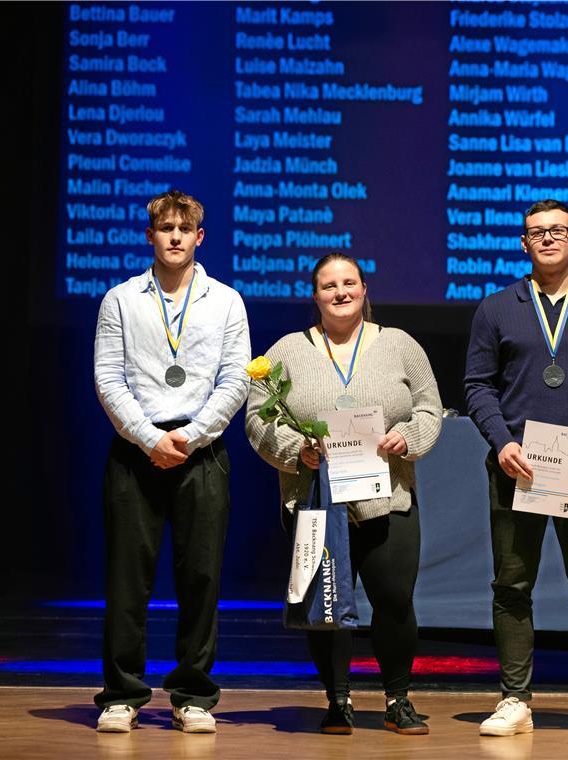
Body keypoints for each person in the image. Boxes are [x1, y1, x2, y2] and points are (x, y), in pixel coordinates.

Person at [245, 253, 442, 736]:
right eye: (328, 285)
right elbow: (255, 417)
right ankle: (338, 701)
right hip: (316, 501)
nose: (340, 292)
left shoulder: (399, 344)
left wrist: (407, 439)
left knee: (395, 601)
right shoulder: (288, 350)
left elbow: (430, 409)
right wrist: (295, 449)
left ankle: (398, 700)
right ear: (315, 295)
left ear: (364, 289)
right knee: (326, 604)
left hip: (388, 497)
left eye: (348, 282)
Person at [465, 200, 568, 738]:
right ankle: (515, 699)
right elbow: (477, 387)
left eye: (558, 230)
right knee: (512, 585)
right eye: (537, 232)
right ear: (523, 243)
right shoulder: (496, 308)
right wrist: (501, 442)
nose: (548, 239)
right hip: (517, 468)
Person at [93, 190, 251, 733]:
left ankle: (193, 697)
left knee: (201, 577)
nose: (176, 237)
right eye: (166, 228)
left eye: (185, 228)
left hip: (201, 450)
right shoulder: (120, 300)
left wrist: (193, 435)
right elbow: (108, 379)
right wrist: (147, 438)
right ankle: (122, 694)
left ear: (200, 237)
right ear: (150, 235)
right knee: (127, 579)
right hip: (136, 452)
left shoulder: (227, 300)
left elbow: (235, 380)